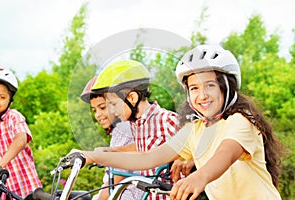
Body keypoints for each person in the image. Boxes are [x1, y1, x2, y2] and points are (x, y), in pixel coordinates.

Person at [70, 45, 285, 200]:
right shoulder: (195, 129)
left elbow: (225, 155)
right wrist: (91, 156)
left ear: (226, 87)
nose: (202, 95)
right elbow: (149, 157)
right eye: (194, 88)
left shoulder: (241, 121)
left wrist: (199, 177)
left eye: (210, 85)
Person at [90, 60, 181, 200]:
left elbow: (195, 152)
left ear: (132, 97)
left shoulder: (168, 120)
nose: (112, 111)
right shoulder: (136, 125)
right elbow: (142, 150)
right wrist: (111, 151)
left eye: (114, 104)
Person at [80, 76, 143, 200]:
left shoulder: (125, 128)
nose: (98, 115)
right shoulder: (120, 131)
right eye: (94, 110)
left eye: (102, 107)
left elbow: (116, 180)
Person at [0, 67, 42, 198]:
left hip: (24, 186)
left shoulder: (13, 117)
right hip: (1, 189)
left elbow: (21, 139)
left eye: (2, 97)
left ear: (10, 98)